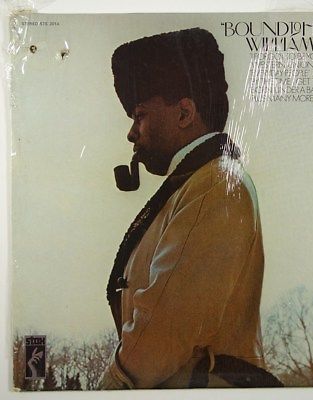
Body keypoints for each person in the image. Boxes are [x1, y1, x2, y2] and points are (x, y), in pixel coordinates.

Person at [98, 27, 282, 389]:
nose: (132, 133)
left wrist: (110, 388)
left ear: (184, 113)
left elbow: (162, 330)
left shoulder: (213, 184)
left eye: (140, 115)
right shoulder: (196, 184)